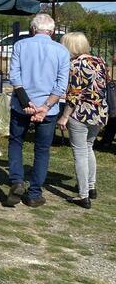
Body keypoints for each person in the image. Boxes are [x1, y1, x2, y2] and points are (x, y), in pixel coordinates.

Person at [5, 14, 70, 208]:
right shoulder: (62, 51)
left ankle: (17, 180)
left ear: (33, 29)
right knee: (42, 150)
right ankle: (34, 193)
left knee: (16, 142)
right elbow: (61, 85)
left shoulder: (20, 45)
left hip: (22, 104)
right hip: (48, 108)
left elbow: (14, 76)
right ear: (52, 31)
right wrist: (45, 106)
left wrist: (26, 102)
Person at [58, 32, 107, 208]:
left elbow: (74, 94)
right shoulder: (99, 61)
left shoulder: (75, 64)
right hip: (99, 111)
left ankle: (83, 194)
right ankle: (91, 186)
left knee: (79, 152)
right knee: (88, 148)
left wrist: (64, 116)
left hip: (81, 112)